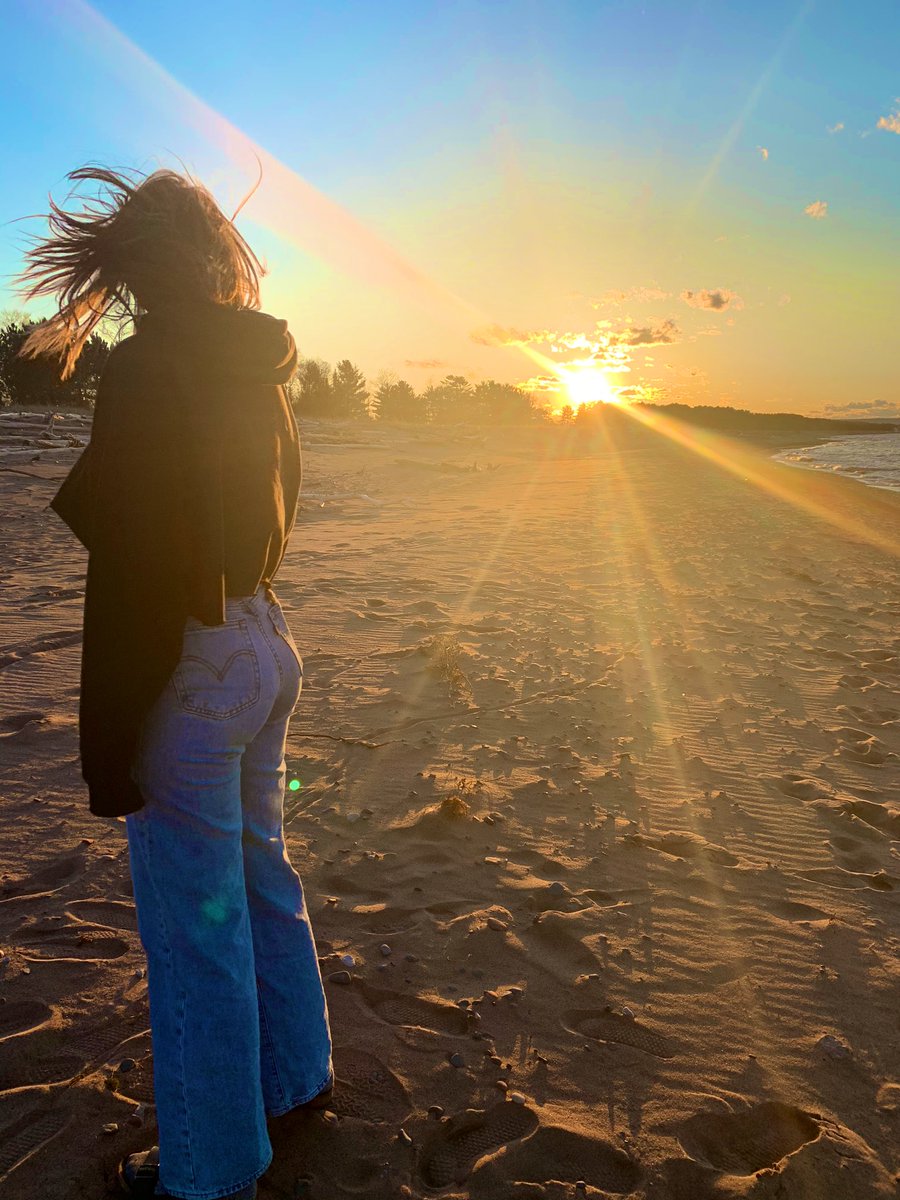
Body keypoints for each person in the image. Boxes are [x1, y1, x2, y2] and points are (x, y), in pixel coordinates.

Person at [16, 166, 333, 1200]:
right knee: (260, 883)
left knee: (195, 930)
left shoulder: (152, 366)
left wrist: (107, 741)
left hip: (191, 657)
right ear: (213, 253)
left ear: (135, 264)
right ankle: (296, 1085)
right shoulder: (264, 359)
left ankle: (207, 1170)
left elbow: (138, 576)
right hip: (266, 640)